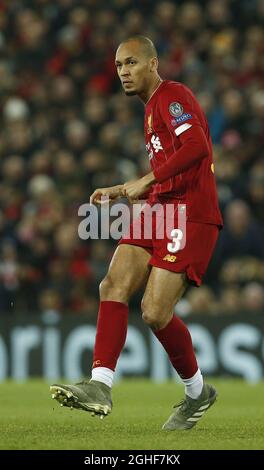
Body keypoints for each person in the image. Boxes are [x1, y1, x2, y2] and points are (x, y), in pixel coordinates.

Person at [50, 36, 223, 431]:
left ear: (152, 64)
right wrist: (122, 188)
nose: (124, 72)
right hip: (160, 208)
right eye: (118, 66)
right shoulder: (148, 112)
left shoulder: (171, 95)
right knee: (111, 283)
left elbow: (196, 146)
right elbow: (164, 170)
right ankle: (100, 385)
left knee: (154, 312)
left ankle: (198, 393)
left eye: (131, 63)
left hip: (191, 213)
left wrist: (146, 180)